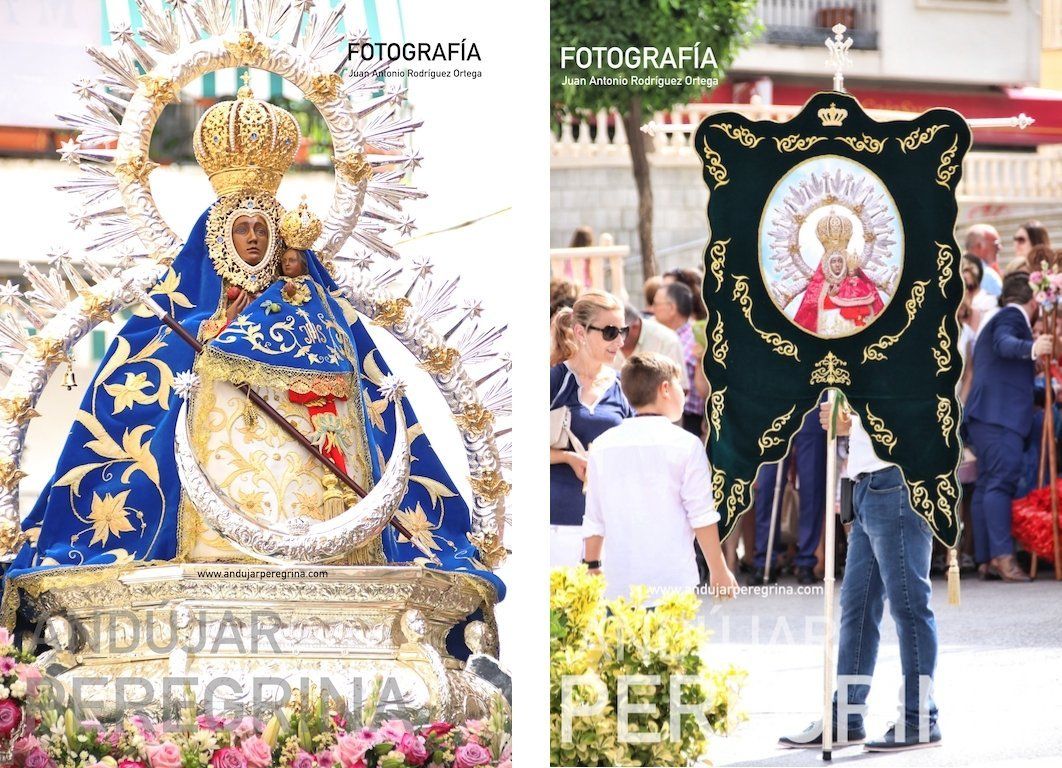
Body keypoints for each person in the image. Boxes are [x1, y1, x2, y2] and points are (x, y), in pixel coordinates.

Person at [7, 83, 494, 589]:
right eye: (243, 228)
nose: (256, 238)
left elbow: (373, 400)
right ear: (220, 235)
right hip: (208, 519)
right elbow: (132, 407)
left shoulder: (319, 306)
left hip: (326, 508)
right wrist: (214, 338)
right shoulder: (170, 321)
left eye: (263, 227)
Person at [779, 401, 942, 752]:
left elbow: (917, 402)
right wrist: (850, 422)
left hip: (899, 478)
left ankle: (920, 718)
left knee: (909, 607)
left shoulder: (912, 346)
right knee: (857, 607)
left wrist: (852, 420)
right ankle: (846, 717)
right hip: (868, 482)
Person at [582, 352, 737, 600]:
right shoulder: (687, 445)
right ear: (665, 388)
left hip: (618, 583)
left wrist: (591, 567)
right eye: (680, 386)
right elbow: (701, 515)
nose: (684, 394)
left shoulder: (601, 445)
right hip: (672, 583)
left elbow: (594, 517)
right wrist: (718, 569)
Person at [964, 273, 1052, 582]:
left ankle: (986, 558)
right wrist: (1033, 348)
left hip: (988, 415)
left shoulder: (1001, 317)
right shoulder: (1012, 317)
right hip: (998, 417)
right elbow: (1005, 345)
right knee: (1000, 482)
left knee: (988, 483)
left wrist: (1031, 361)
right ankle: (1003, 557)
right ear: (1033, 301)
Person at [550, 290, 633, 566]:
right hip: (557, 523)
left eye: (623, 331)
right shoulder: (553, 381)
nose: (620, 341)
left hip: (612, 523)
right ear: (580, 332)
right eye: (610, 332)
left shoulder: (624, 387)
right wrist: (566, 457)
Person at [750, 406, 826, 586]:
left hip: (812, 398)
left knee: (812, 483)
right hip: (777, 399)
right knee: (767, 485)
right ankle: (764, 560)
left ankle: (806, 561)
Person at [793, 212, 883, 336]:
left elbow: (870, 303)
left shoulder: (855, 281)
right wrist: (829, 296)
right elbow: (812, 310)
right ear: (827, 264)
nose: (837, 265)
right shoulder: (819, 287)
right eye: (834, 261)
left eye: (840, 261)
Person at [651, 282, 704, 436]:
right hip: (663, 417)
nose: (652, 309)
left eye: (655, 304)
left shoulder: (698, 337)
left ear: (672, 308)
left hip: (692, 421)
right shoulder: (657, 335)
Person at [612, 303, 689, 391]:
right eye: (609, 332)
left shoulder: (666, 341)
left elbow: (681, 388)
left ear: (635, 327)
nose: (612, 338)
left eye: (619, 332)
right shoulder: (602, 339)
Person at [964, 223, 1003, 297]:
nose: (1000, 248)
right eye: (996, 244)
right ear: (979, 246)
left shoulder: (951, 268)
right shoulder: (988, 275)